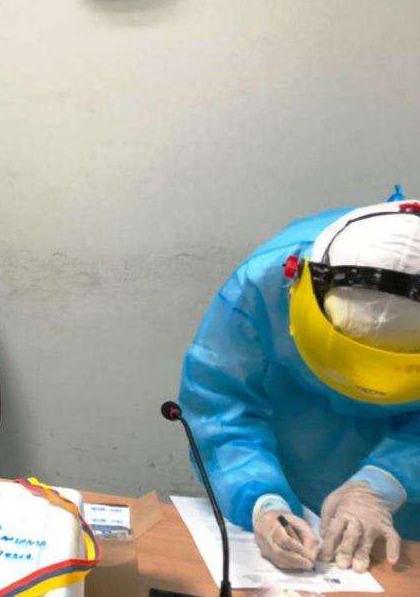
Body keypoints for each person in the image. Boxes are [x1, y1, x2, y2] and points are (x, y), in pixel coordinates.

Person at [178, 187, 420, 573]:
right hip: (291, 456)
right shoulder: (265, 284)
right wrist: (262, 500)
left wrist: (384, 484)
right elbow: (219, 408)